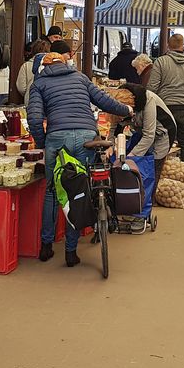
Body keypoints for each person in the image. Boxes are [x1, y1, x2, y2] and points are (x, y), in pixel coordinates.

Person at [28, 51, 132, 267]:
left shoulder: (39, 83)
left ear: (43, 67)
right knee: (79, 191)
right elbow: (105, 101)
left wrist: (42, 142)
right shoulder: (80, 78)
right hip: (86, 136)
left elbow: (35, 118)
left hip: (57, 139)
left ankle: (46, 246)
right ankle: (71, 252)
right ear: (65, 62)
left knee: (52, 191)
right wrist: (126, 109)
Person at [147, 34, 184, 167]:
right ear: (183, 46)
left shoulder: (160, 62)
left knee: (163, 143)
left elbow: (151, 87)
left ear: (168, 46)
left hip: (165, 109)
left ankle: (162, 176)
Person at [123, 82, 176, 192]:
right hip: (144, 133)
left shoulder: (148, 100)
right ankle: (138, 197)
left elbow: (149, 135)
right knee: (141, 165)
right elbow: (116, 124)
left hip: (164, 133)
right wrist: (111, 143)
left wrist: (132, 156)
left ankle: (148, 200)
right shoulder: (121, 103)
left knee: (153, 167)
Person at [18, 39, 50, 106]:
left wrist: (28, 92)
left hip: (30, 100)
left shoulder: (26, 66)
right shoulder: (51, 65)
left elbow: (21, 88)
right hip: (48, 100)